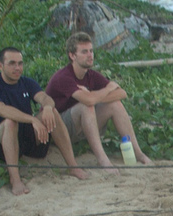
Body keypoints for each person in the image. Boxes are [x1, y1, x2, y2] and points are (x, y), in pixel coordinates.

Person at [0, 47, 89, 196]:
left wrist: (49, 107)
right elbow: (1, 109)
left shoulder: (26, 82)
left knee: (53, 113)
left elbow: (44, 98)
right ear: (0, 65)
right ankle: (15, 179)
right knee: (10, 122)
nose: (17, 68)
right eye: (12, 63)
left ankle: (73, 166)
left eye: (20, 63)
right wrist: (32, 119)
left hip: (24, 133)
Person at [46, 31, 152, 173]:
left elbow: (122, 93)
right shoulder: (64, 77)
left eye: (91, 51)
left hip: (83, 125)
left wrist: (93, 95)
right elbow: (89, 100)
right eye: (84, 52)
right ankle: (103, 159)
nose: (90, 55)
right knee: (87, 106)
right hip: (60, 129)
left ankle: (138, 153)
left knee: (115, 104)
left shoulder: (90, 75)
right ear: (72, 55)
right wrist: (106, 89)